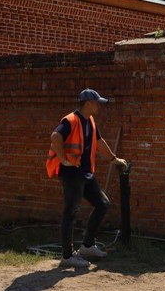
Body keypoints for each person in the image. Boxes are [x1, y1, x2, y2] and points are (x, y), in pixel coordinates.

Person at [46, 89, 126, 269]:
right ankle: (67, 256)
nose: (99, 106)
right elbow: (55, 136)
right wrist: (63, 159)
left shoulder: (89, 120)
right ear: (88, 102)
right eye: (97, 102)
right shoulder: (71, 120)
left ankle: (87, 246)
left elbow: (99, 142)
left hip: (85, 173)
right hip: (72, 174)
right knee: (71, 212)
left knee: (103, 204)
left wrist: (114, 159)